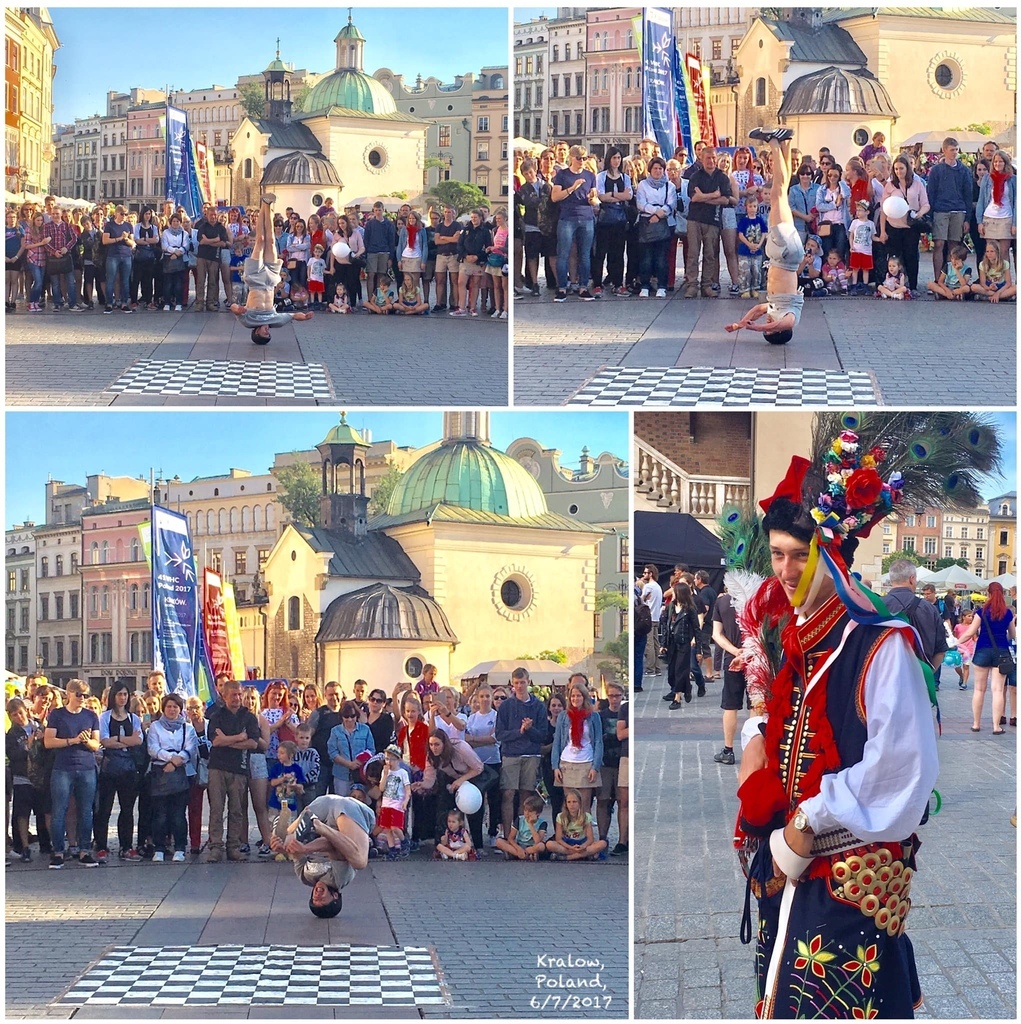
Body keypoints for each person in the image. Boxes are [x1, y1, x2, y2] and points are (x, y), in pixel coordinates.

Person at [735, 434, 939, 1019]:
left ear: (832, 552)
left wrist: (808, 816)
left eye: (802, 554)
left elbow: (901, 766)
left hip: (848, 878)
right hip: (792, 873)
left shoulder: (879, 644)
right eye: (777, 554)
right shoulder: (796, 638)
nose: (787, 569)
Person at [725, 129, 802, 345]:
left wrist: (741, 324)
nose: (767, 322)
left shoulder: (774, 308)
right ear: (775, 332)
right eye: (770, 329)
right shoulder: (788, 317)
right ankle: (774, 143)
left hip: (782, 253)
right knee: (778, 193)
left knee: (781, 192)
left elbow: (758, 309)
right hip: (785, 254)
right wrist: (760, 328)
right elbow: (783, 325)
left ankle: (785, 142)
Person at [269, 794, 374, 918]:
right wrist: (307, 848)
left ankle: (283, 831)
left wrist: (284, 849)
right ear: (335, 896)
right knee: (360, 862)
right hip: (345, 812)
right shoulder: (339, 880)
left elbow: (296, 852)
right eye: (322, 900)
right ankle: (317, 826)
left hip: (320, 806)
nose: (317, 896)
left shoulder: (305, 877)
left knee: (283, 842)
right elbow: (332, 846)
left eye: (314, 900)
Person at [228, 194, 313, 344]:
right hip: (271, 280)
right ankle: (269, 205)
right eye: (269, 334)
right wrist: (305, 317)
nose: (268, 331)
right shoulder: (275, 321)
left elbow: (234, 307)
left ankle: (263, 205)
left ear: (256, 332)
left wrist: (237, 309)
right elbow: (293, 316)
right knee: (271, 240)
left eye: (264, 333)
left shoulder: (248, 322)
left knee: (260, 241)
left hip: (255, 280)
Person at [43, 679, 101, 868]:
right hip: (63, 767)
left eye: (85, 695)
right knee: (59, 810)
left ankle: (84, 850)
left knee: (86, 811)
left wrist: (85, 741)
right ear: (69, 694)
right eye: (79, 695)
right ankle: (58, 851)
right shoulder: (57, 715)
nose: (82, 698)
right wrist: (72, 740)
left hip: (86, 767)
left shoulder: (91, 716)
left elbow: (96, 745)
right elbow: (48, 742)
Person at [206, 679, 261, 863]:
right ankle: (215, 847)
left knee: (237, 809)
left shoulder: (249, 717)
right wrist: (238, 737)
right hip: (217, 767)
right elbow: (215, 741)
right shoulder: (217, 715)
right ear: (224, 696)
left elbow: (253, 742)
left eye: (239, 694)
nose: (237, 698)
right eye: (233, 695)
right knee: (216, 809)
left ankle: (234, 847)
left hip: (239, 768)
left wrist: (227, 740)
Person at [494, 667, 548, 845]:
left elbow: (543, 736)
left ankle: (524, 836)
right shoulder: (506, 706)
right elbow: (500, 734)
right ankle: (509, 834)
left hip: (531, 754)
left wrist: (530, 729)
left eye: (522, 682)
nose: (519, 686)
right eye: (516, 683)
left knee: (526, 796)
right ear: (512, 684)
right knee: (508, 794)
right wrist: (520, 731)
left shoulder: (538, 706)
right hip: (511, 754)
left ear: (528, 682)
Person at [94, 680, 144, 862]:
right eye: (119, 694)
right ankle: (101, 846)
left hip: (128, 769)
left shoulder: (134, 719)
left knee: (127, 809)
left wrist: (118, 740)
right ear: (113, 697)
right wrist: (125, 740)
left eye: (125, 694)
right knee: (104, 809)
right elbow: (104, 741)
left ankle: (126, 846)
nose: (122, 698)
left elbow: (138, 741)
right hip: (110, 768)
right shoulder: (105, 717)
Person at [956, 581, 1015, 733]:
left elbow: (970, 633)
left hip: (982, 651)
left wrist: (955, 643)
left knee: (979, 689)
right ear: (1002, 594)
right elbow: (1013, 635)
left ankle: (976, 724)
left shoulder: (981, 612)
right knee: (997, 690)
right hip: (1001, 652)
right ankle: (996, 727)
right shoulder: (1008, 613)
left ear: (988, 594)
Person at [146, 693, 198, 863]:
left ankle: (180, 848)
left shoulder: (187, 728)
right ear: (163, 708)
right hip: (160, 771)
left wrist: (176, 762)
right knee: (160, 814)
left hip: (180, 772)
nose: (172, 709)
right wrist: (170, 759)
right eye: (169, 706)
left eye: (175, 706)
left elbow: (191, 748)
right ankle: (159, 848)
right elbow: (152, 747)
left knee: (178, 814)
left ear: (180, 709)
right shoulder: (155, 726)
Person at [883, 560, 948, 692]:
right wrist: (926, 677)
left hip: (883, 683)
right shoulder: (929, 609)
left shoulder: (875, 606)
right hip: (917, 681)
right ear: (912, 579)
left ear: (891, 580)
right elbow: (940, 650)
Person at [551, 144, 599, 301]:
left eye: (585, 158)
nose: (582, 161)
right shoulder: (562, 175)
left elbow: (594, 201)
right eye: (579, 158)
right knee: (563, 253)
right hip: (567, 218)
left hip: (586, 217)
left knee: (585, 254)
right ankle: (562, 288)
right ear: (571, 158)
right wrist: (573, 187)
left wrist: (593, 198)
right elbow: (555, 197)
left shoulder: (590, 176)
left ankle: (583, 287)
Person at [684, 144, 733, 298]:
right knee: (693, 253)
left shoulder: (722, 177)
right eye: (708, 158)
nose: (711, 160)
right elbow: (694, 197)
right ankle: (692, 285)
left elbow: (725, 200)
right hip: (694, 219)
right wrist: (713, 195)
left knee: (710, 254)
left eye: (713, 157)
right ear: (701, 159)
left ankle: (706, 285)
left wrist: (703, 197)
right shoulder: (695, 176)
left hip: (713, 220)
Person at [551, 674, 603, 815]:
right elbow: (557, 743)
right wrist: (555, 766)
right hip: (567, 762)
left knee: (584, 805)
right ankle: (569, 835)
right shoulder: (563, 716)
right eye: (573, 696)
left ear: (584, 697)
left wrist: (595, 766)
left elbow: (598, 741)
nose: (575, 699)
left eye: (578, 696)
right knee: (569, 805)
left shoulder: (593, 716)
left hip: (586, 761)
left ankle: (585, 835)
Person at [877, 155, 929, 294]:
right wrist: (882, 231)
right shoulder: (890, 185)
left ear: (907, 168)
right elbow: (884, 209)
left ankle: (912, 286)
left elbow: (925, 204)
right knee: (894, 257)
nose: (899, 171)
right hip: (893, 226)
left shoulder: (917, 183)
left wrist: (919, 214)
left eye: (901, 168)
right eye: (896, 169)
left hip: (910, 227)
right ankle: (892, 285)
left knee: (911, 256)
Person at [925, 137, 974, 281]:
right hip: (941, 211)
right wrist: (931, 214)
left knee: (954, 246)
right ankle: (937, 279)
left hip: (958, 211)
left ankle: (950, 280)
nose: (954, 153)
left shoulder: (964, 171)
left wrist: (967, 219)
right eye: (952, 150)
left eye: (956, 150)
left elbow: (968, 195)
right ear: (944, 150)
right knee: (939, 243)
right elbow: (931, 193)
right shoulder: (936, 170)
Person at [635, 156, 677, 298]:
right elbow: (640, 203)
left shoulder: (669, 186)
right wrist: (654, 212)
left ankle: (662, 286)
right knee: (646, 258)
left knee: (661, 258)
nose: (658, 171)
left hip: (663, 223)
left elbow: (672, 204)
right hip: (646, 223)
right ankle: (645, 286)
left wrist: (659, 214)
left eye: (660, 168)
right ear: (650, 170)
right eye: (655, 168)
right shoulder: (643, 185)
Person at [593, 148, 632, 296]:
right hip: (605, 219)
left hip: (620, 219)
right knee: (601, 252)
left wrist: (613, 195)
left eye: (619, 158)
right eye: (614, 158)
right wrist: (619, 196)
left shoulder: (625, 178)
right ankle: (597, 283)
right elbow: (601, 196)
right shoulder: (601, 176)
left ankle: (617, 283)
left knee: (618, 252)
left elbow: (628, 196)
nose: (617, 161)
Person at [663, 580, 701, 709]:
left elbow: (697, 629)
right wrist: (664, 644)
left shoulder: (690, 609)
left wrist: (698, 649)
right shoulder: (671, 607)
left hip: (684, 643)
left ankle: (677, 699)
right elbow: (666, 626)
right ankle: (687, 687)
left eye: (674, 592)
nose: (672, 594)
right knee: (671, 673)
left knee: (680, 670)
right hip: (672, 643)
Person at [976, 150, 1016, 263]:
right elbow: (981, 200)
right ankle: (992, 279)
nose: (997, 164)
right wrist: (980, 222)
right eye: (995, 162)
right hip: (989, 218)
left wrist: (1015, 224)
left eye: (1000, 161)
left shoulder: (1013, 179)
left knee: (1004, 252)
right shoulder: (987, 178)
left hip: (1006, 218)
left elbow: (1017, 203)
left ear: (1005, 163)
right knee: (991, 253)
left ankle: (1005, 279)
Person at [327, 700, 375, 796]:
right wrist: (349, 764)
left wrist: (360, 761)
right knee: (342, 805)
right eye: (346, 716)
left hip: (361, 775)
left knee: (359, 805)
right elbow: (332, 753)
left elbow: (371, 750)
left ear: (357, 716)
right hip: (341, 775)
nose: (349, 719)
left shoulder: (365, 729)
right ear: (341, 717)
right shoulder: (335, 731)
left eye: (352, 716)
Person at [546, 788, 607, 861]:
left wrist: (583, 846)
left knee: (603, 843)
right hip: (567, 843)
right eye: (569, 802)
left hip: (582, 842)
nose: (572, 805)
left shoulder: (586, 816)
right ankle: (583, 855)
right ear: (566, 804)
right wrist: (571, 848)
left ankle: (568, 857)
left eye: (574, 802)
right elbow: (558, 839)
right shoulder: (560, 816)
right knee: (549, 844)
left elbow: (590, 838)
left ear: (580, 803)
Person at [377, 744, 411, 859]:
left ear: (399, 760)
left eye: (392, 759)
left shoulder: (402, 773)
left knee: (395, 827)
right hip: (386, 803)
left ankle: (404, 842)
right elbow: (381, 788)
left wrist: (405, 801)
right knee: (387, 828)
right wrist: (385, 775)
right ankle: (392, 849)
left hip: (397, 803)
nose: (389, 762)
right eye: (387, 758)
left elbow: (407, 790)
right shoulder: (385, 772)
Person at [494, 791, 548, 860]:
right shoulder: (520, 819)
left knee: (541, 846)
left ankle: (516, 854)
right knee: (499, 841)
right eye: (525, 810)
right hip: (519, 845)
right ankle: (523, 855)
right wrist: (518, 848)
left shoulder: (542, 823)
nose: (527, 813)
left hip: (532, 846)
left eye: (530, 811)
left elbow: (537, 841)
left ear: (538, 813)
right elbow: (511, 838)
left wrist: (531, 825)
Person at [736, 195, 767, 298]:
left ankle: (755, 288)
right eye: (750, 206)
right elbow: (740, 234)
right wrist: (749, 244)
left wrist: (759, 244)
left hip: (757, 250)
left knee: (756, 270)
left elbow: (764, 232)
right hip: (745, 250)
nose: (752, 208)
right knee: (745, 270)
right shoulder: (744, 221)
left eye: (754, 206)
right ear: (746, 207)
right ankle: (745, 289)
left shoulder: (759, 220)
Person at [847, 200, 876, 293]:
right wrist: (851, 246)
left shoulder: (871, 224)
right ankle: (854, 285)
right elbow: (851, 235)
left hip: (867, 250)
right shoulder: (855, 222)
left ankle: (865, 285)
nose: (858, 212)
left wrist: (880, 239)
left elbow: (873, 237)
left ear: (867, 212)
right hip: (856, 249)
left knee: (866, 269)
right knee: (855, 269)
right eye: (857, 210)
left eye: (860, 210)